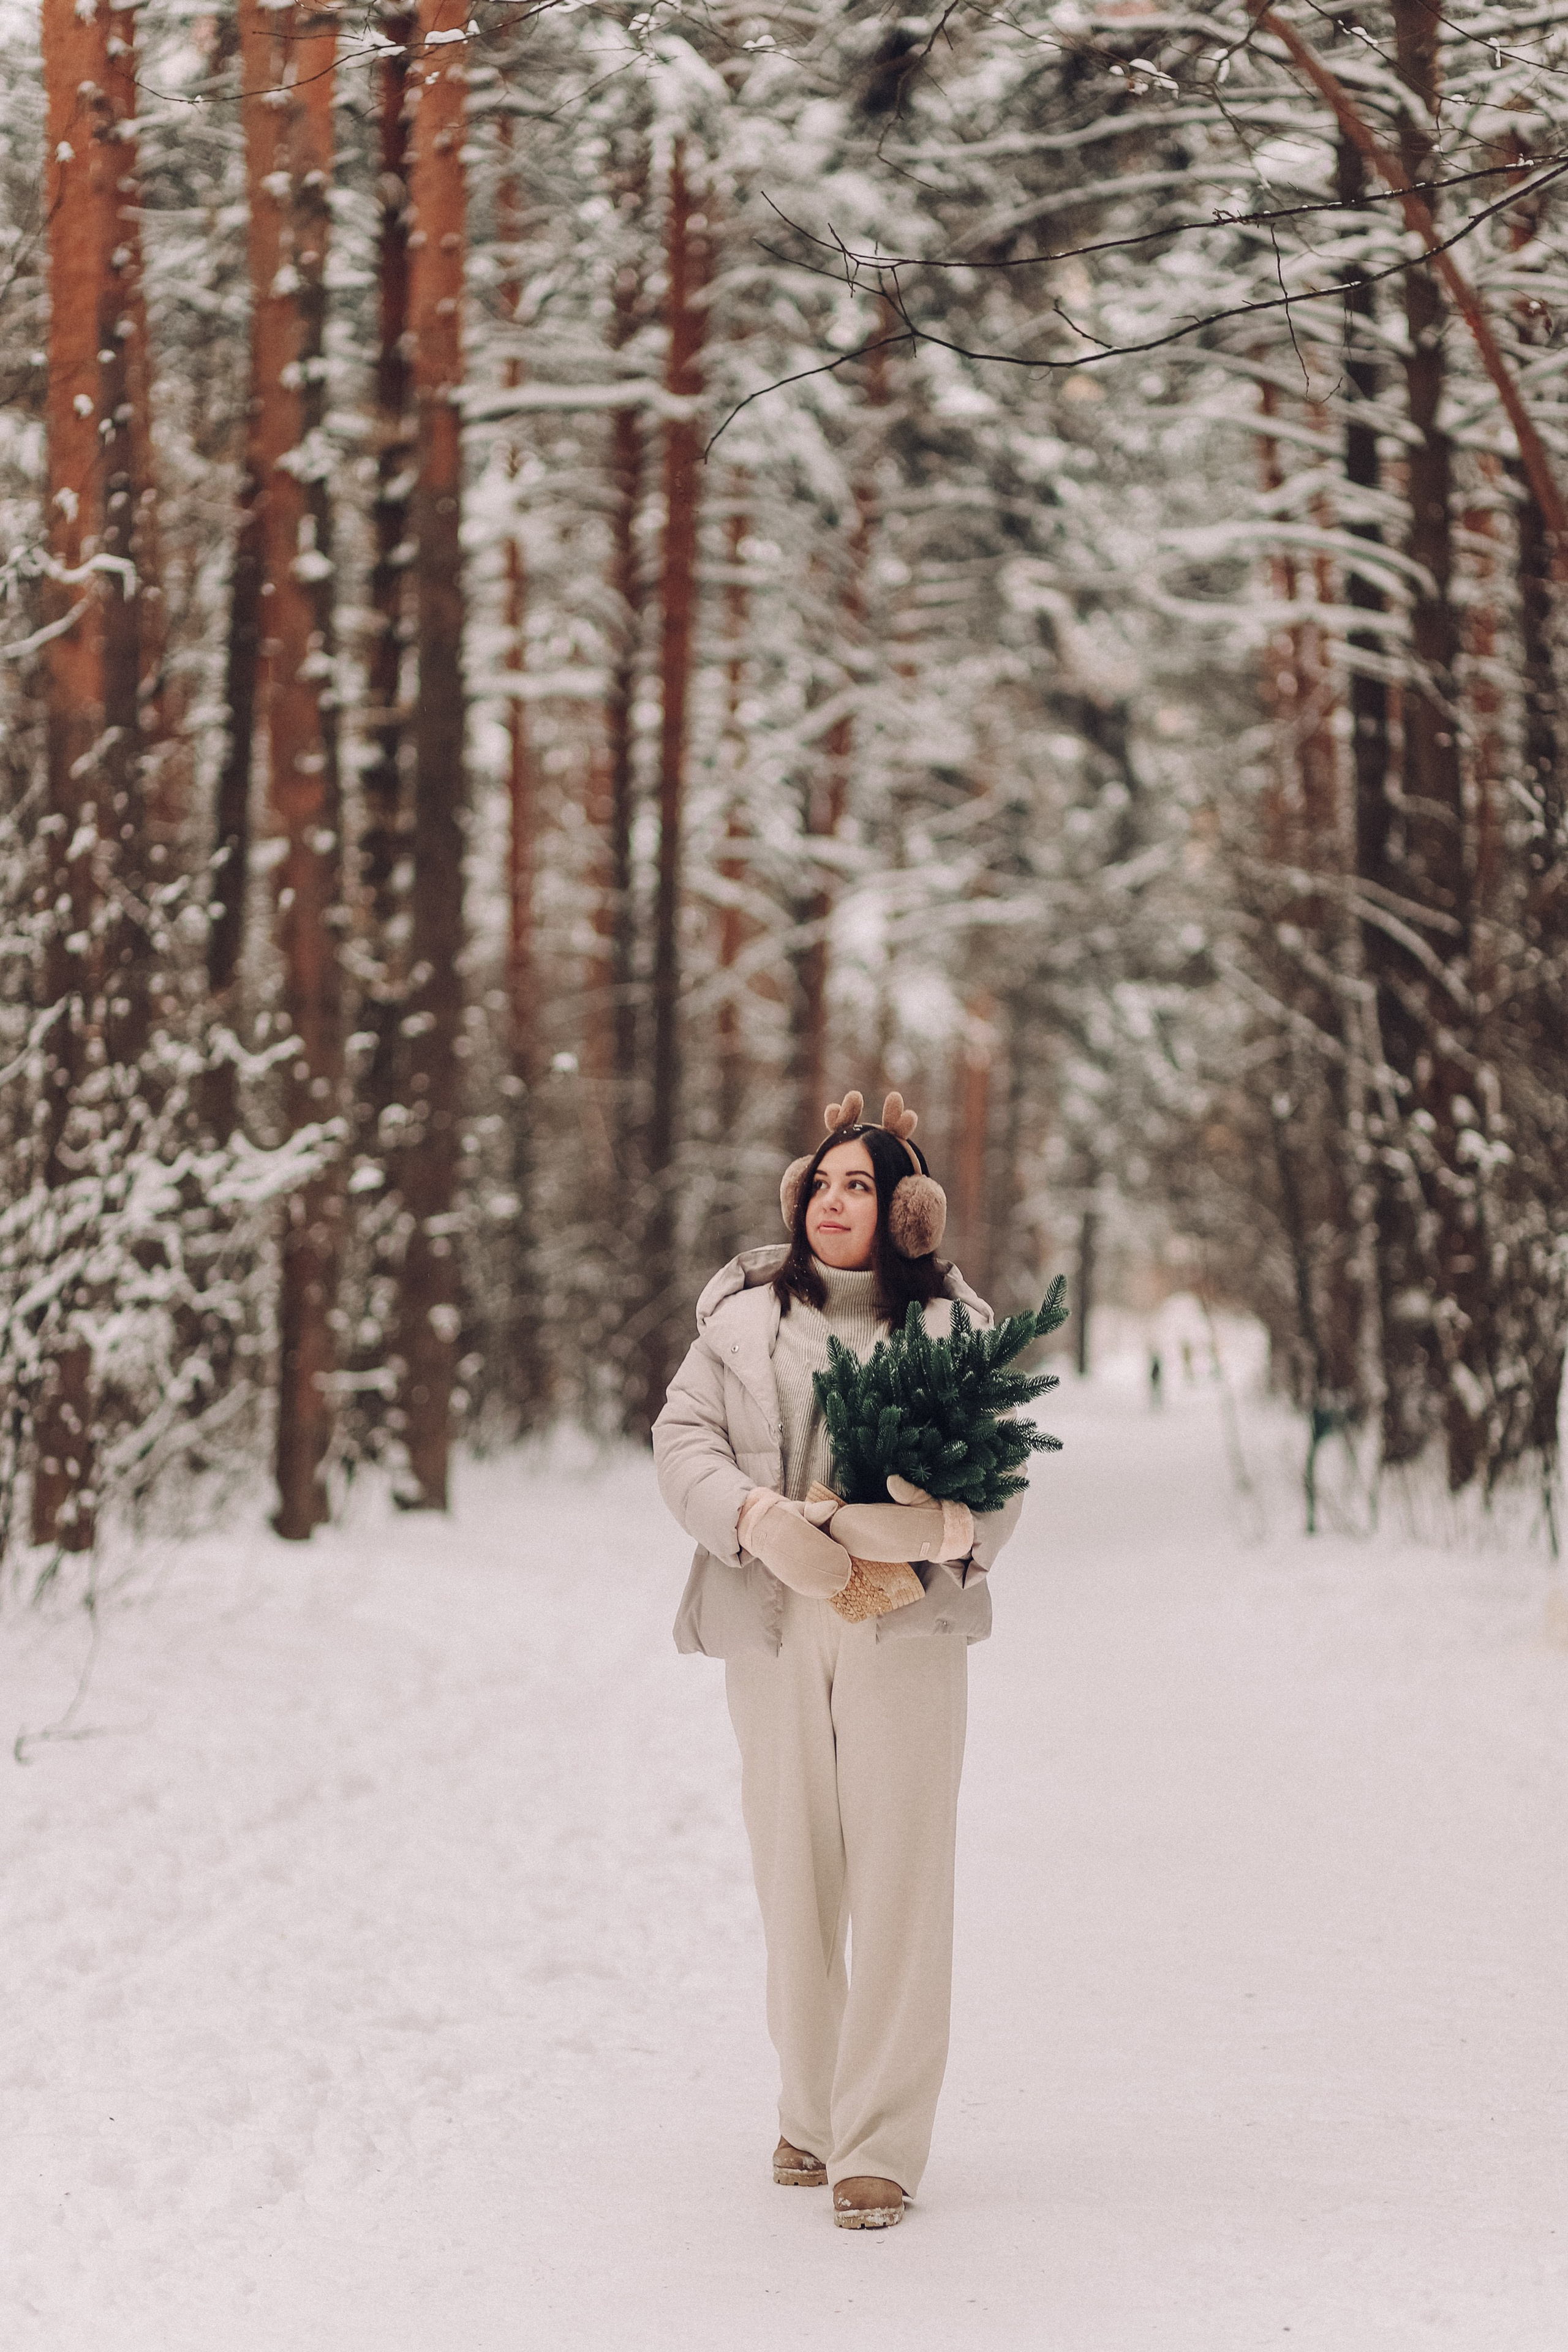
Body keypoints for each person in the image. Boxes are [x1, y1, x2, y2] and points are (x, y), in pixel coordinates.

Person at [652, 1088, 1023, 2230]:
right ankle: (809, 2113)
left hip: (903, 1628)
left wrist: (924, 1544)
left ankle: (881, 2143)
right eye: (822, 1182)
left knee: (902, 1876)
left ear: (909, 1212)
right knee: (794, 1872)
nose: (834, 1201)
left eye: (861, 1185)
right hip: (772, 1622)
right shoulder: (741, 1322)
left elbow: (999, 1480)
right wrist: (758, 1521)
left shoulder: (956, 1335)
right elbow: (682, 1439)